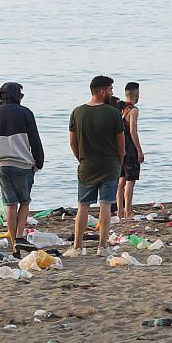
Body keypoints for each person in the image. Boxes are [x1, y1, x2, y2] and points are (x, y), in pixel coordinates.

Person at [68, 76, 125, 257]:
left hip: (87, 165)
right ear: (101, 91)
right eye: (110, 89)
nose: (112, 93)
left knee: (83, 205)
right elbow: (121, 144)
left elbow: (73, 142)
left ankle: (77, 246)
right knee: (105, 205)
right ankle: (103, 246)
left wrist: (81, 158)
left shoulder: (77, 112)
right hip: (109, 165)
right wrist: (119, 162)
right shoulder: (113, 113)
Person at [0, 82, 44, 256]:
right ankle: (19, 237)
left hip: (2, 165)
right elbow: (35, 140)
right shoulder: (25, 113)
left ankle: (13, 244)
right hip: (23, 164)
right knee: (24, 202)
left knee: (10, 205)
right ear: (16, 95)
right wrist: (39, 162)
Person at [116, 82, 144, 220]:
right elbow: (133, 131)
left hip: (119, 148)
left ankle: (119, 211)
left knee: (121, 180)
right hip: (130, 148)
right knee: (130, 181)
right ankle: (128, 211)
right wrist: (139, 150)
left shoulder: (119, 107)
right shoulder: (133, 110)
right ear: (136, 95)